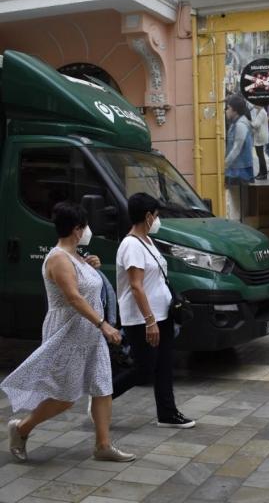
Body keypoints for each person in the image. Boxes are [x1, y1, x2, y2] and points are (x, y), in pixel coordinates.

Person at [2, 202, 135, 463]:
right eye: (85, 227)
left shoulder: (76, 256)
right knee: (64, 397)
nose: (88, 231)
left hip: (89, 335)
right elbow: (74, 297)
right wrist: (103, 324)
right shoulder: (58, 259)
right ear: (76, 229)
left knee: (102, 387)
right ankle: (21, 429)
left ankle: (103, 445)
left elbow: (82, 287)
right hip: (69, 334)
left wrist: (89, 266)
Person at [112, 193, 195, 428]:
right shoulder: (131, 245)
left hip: (163, 315)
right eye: (157, 216)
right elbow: (136, 287)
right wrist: (150, 322)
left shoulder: (147, 241)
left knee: (164, 366)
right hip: (143, 319)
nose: (158, 220)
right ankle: (102, 399)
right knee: (143, 369)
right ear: (148, 216)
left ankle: (167, 414)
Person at [224, 95, 255, 184]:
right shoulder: (235, 123)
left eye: (228, 108)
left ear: (235, 110)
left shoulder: (240, 125)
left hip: (240, 171)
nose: (226, 111)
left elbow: (236, 148)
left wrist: (224, 164)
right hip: (236, 169)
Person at [249, 102, 269, 180]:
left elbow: (256, 124)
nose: (254, 104)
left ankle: (263, 174)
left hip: (260, 136)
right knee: (260, 155)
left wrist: (249, 122)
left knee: (260, 156)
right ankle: (261, 172)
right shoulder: (260, 111)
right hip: (260, 136)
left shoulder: (262, 112)